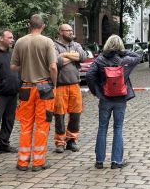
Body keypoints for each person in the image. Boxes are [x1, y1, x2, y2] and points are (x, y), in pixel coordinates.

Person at [86, 35, 141, 169]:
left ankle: (99, 161)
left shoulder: (100, 59)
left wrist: (96, 91)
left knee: (102, 128)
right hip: (120, 99)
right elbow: (138, 56)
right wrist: (123, 51)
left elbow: (89, 75)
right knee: (118, 128)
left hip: (105, 98)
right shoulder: (125, 60)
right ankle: (116, 161)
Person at [10, 14, 58, 171]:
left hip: (26, 88)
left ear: (29, 26)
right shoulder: (47, 42)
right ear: (43, 26)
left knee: (26, 125)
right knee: (42, 126)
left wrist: (26, 65)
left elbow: (13, 66)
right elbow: (53, 67)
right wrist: (54, 85)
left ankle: (23, 162)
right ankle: (38, 162)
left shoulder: (20, 42)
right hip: (44, 88)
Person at [53, 24, 87, 153]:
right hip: (60, 85)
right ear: (61, 32)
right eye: (68, 31)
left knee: (76, 114)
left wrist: (65, 55)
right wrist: (72, 57)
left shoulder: (76, 45)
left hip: (75, 85)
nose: (71, 32)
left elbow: (83, 57)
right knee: (59, 114)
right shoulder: (54, 45)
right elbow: (57, 62)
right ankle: (60, 142)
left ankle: (71, 140)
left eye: (72, 30)